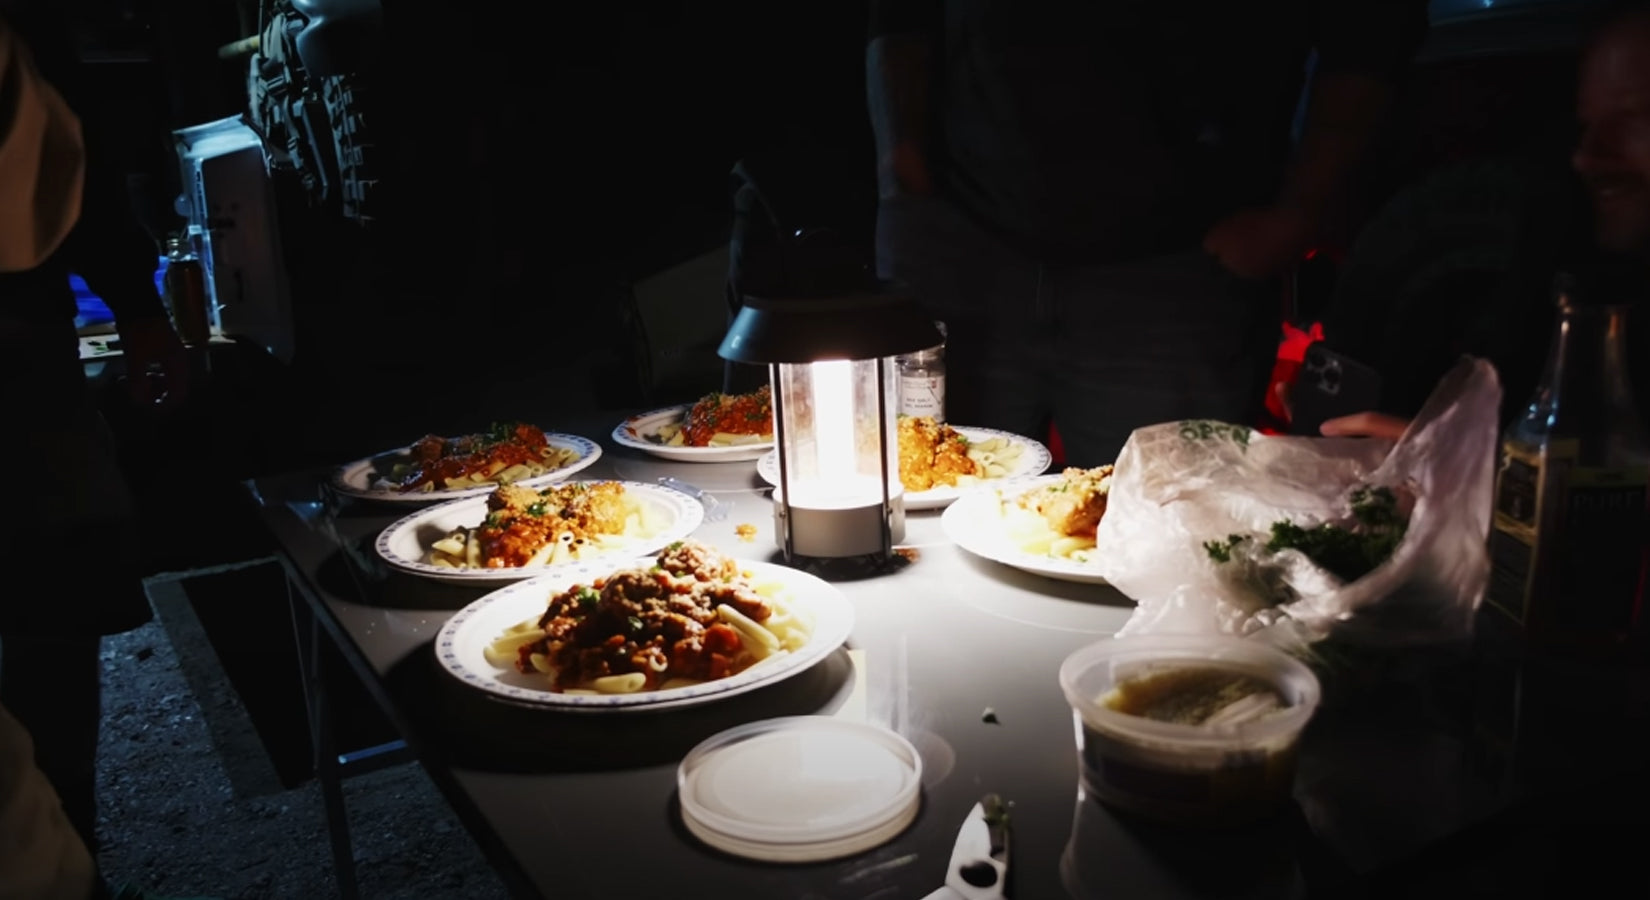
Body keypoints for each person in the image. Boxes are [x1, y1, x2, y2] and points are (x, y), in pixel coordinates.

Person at [867, 0, 1430, 465]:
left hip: (1179, 267)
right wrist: (901, 166)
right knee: (926, 510)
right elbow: (898, 16)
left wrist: (1298, 215)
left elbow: (1371, 31)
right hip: (964, 246)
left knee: (1164, 531)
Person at [0, 0, 188, 868]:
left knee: (56, 585)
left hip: (20, 344)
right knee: (56, 568)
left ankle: (68, 838)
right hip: (20, 343)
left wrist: (141, 309)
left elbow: (71, 163)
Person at [1306, 0, 1650, 440]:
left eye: (1634, 120)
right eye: (1586, 126)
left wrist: (1477, 468)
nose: (1588, 157)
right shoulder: (1575, 266)